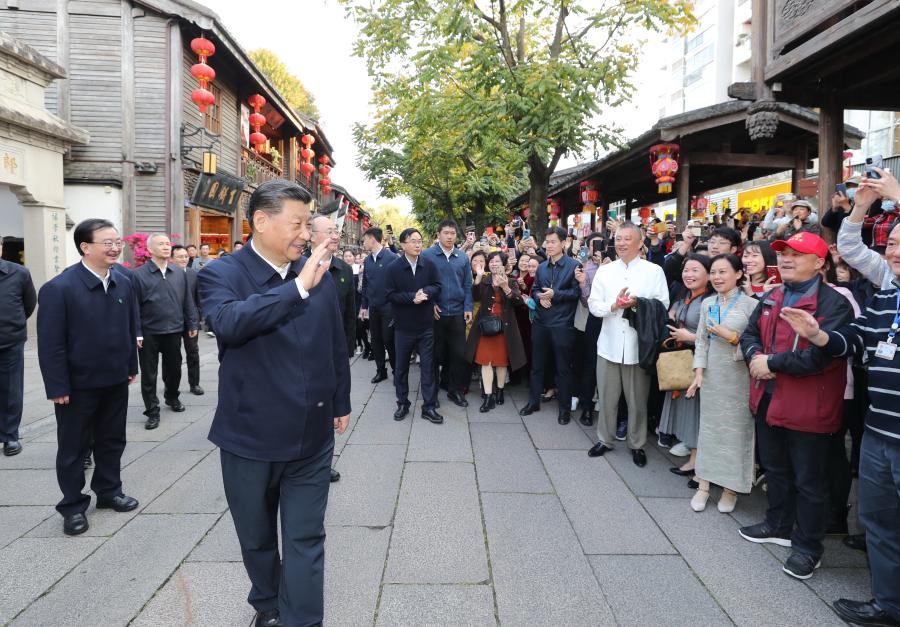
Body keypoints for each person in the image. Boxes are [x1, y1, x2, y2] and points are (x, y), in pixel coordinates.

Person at [198, 179, 350, 627]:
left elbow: (335, 343)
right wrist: (297, 288)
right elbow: (228, 322)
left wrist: (340, 399)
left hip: (311, 435)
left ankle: (302, 620)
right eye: (298, 223)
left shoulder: (317, 274)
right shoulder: (221, 274)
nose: (307, 234)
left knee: (305, 536)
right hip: (250, 437)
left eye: (309, 224)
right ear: (261, 222)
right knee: (257, 536)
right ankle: (267, 603)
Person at [778, 220, 900, 626]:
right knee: (878, 524)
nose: (895, 252)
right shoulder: (886, 297)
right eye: (893, 244)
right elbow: (854, 340)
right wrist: (818, 335)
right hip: (879, 429)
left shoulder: (841, 295)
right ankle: (888, 603)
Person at [738, 231, 855, 580]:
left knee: (810, 481)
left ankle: (808, 547)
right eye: (783, 253)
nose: (786, 259)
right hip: (768, 400)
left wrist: (771, 364)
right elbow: (749, 334)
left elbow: (821, 356)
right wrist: (755, 357)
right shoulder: (774, 294)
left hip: (809, 406)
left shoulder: (834, 304)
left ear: (819, 263)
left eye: (797, 254)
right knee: (776, 470)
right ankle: (777, 524)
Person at [37, 219, 140, 535]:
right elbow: (50, 342)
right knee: (74, 448)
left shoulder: (123, 281)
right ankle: (72, 505)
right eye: (107, 242)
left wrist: (130, 366)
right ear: (85, 246)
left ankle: (109, 492)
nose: (114, 247)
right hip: (77, 386)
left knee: (112, 440)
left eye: (117, 241)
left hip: (114, 379)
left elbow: (128, 327)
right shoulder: (60, 288)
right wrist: (57, 385)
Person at [587, 221, 669, 467]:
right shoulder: (605, 271)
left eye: (627, 238)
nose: (621, 243)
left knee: (637, 401)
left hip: (637, 347)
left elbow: (662, 305)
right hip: (608, 345)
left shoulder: (654, 271)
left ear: (640, 242)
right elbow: (593, 305)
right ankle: (605, 439)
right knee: (608, 397)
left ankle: (637, 443)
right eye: (618, 238)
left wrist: (637, 304)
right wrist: (614, 305)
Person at [686, 254, 759, 513]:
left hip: (739, 377)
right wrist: (698, 372)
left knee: (736, 433)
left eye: (723, 272)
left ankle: (730, 488)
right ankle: (704, 485)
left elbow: (757, 345)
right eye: (714, 272)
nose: (717, 277)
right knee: (709, 430)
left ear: (739, 274)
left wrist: (732, 338)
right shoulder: (708, 303)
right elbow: (702, 341)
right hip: (712, 376)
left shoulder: (752, 305)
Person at [131, 233, 198, 430]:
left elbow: (187, 300)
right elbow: (133, 306)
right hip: (149, 332)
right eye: (161, 244)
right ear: (150, 249)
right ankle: (152, 411)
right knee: (149, 374)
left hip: (174, 329)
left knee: (174, 369)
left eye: (167, 243)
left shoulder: (178, 273)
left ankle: (172, 397)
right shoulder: (138, 275)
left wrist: (192, 323)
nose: (166, 247)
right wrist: (137, 332)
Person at [518, 227, 582, 424]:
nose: (549, 245)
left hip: (562, 324)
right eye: (548, 241)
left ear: (564, 243)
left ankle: (564, 409)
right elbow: (535, 289)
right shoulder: (542, 266)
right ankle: (533, 401)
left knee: (563, 368)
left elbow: (576, 294)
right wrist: (539, 298)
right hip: (541, 322)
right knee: (537, 365)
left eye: (554, 241)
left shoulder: (574, 266)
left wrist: (556, 295)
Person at [658, 254, 712, 470]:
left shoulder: (711, 302)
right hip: (681, 360)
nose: (688, 274)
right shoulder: (683, 297)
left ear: (709, 274)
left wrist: (690, 337)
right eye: (686, 270)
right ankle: (693, 455)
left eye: (695, 270)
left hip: (700, 361)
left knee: (697, 411)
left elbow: (717, 335)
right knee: (688, 409)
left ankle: (696, 461)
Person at [384, 228, 443, 424]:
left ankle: (429, 406)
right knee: (401, 368)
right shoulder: (393, 268)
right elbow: (390, 294)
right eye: (413, 241)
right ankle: (402, 403)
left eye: (420, 241)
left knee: (428, 367)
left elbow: (437, 285)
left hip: (426, 325)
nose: (418, 244)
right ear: (403, 244)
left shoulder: (429, 264)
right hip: (403, 327)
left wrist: (425, 291)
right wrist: (412, 298)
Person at [465, 251, 526, 412]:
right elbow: (475, 297)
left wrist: (505, 287)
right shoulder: (484, 280)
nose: (493, 264)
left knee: (501, 362)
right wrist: (478, 277)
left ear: (504, 265)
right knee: (485, 361)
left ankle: (500, 391)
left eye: (497, 261)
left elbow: (519, 302)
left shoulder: (511, 281)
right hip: (485, 327)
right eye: (491, 261)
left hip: (504, 328)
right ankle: (488, 396)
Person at [423, 219, 473, 408]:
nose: (450, 236)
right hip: (436, 313)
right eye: (446, 233)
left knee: (458, 354)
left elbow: (467, 284)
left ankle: (454, 390)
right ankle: (432, 393)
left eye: (453, 233)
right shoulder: (427, 255)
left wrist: (468, 307)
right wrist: (430, 302)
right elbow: (421, 282)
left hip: (458, 313)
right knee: (434, 355)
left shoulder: (462, 257)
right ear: (438, 235)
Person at [0, 237, 37, 456]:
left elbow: (29, 303)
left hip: (9, 340)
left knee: (11, 390)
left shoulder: (19, 273)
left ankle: (9, 436)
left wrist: (13, 323)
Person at [309, 215, 356, 359]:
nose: (335, 236)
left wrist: (348, 348)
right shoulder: (298, 266)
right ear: (312, 236)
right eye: (330, 232)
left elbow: (350, 313)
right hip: (305, 347)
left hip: (336, 346)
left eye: (337, 232)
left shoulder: (345, 270)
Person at [360, 227, 398, 383]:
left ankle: (397, 371)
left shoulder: (392, 258)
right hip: (373, 308)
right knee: (375, 340)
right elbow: (366, 285)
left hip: (389, 307)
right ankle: (381, 371)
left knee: (388, 339)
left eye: (364, 240)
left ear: (372, 239)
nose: (363, 244)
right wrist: (364, 306)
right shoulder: (367, 260)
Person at [171, 245, 204, 396]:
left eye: (185, 256)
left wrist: (198, 317)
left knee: (193, 352)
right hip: (172, 322)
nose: (184, 259)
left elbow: (198, 297)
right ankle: (171, 385)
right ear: (172, 259)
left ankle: (195, 384)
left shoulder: (192, 274)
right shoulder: (167, 275)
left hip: (191, 320)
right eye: (180, 257)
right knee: (172, 355)